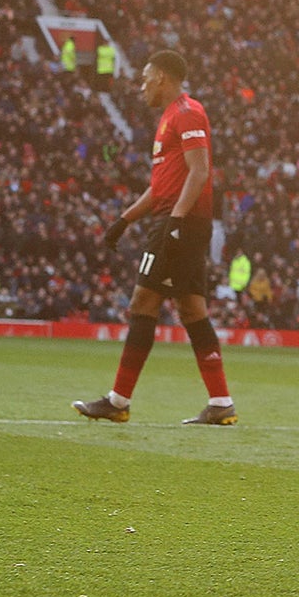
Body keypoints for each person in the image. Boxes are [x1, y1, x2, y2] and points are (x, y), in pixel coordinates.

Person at [75, 49, 237, 426]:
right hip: (178, 219)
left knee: (143, 300)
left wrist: (175, 223)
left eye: (146, 78)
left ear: (162, 77)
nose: (141, 86)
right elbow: (161, 186)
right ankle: (221, 402)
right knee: (192, 309)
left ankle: (118, 400)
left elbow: (200, 172)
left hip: (181, 221)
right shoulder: (169, 118)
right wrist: (125, 220)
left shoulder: (187, 112)